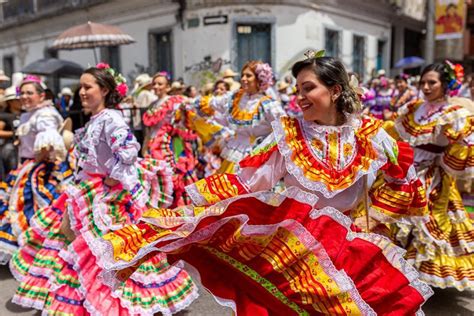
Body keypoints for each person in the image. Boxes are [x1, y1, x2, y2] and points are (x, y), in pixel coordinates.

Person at [94, 53, 433, 315]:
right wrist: (192, 215)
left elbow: (403, 180)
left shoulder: (372, 135)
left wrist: (375, 217)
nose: (299, 97)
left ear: (336, 90)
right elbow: (247, 182)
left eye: (309, 88)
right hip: (297, 249)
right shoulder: (288, 135)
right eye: (297, 89)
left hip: (352, 247)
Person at [11, 64, 197, 314]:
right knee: (75, 245)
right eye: (81, 87)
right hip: (86, 191)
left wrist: (113, 176)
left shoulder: (111, 118)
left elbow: (129, 152)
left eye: (88, 87)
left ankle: (109, 301)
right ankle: (86, 299)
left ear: (105, 90)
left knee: (102, 251)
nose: (82, 92)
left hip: (104, 198)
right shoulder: (97, 119)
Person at [385, 61, 474, 291]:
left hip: (433, 176)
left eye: (431, 82)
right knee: (391, 217)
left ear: (446, 85)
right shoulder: (415, 108)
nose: (425, 87)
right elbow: (395, 134)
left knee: (426, 224)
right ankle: (397, 271)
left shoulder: (454, 114)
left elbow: (462, 148)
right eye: (422, 82)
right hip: (406, 172)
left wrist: (444, 159)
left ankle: (418, 278)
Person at [0, 75, 71, 264]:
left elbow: (48, 142)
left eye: (29, 93)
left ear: (41, 96)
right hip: (27, 166)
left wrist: (38, 159)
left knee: (38, 209)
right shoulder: (28, 114)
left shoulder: (45, 114)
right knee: (21, 209)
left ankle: (47, 251)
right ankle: (33, 251)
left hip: (41, 169)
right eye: (22, 93)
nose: (24, 96)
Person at [194, 60, 285, 173]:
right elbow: (214, 102)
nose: (243, 79)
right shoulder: (235, 97)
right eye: (242, 75)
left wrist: (266, 146)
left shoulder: (268, 104)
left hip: (256, 156)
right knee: (228, 186)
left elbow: (285, 127)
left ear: (259, 79)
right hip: (234, 152)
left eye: (248, 76)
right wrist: (189, 103)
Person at [142, 71, 199, 206]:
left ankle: (179, 205)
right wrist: (145, 146)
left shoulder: (174, 101)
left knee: (174, 173)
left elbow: (188, 111)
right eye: (154, 84)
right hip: (154, 143)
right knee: (157, 176)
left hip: (169, 143)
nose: (156, 86)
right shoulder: (153, 105)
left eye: (159, 84)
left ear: (167, 87)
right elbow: (149, 129)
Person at [0, 86, 21, 179]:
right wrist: (15, 134)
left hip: (24, 148)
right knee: (13, 173)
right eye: (17, 100)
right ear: (10, 101)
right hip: (11, 148)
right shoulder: (4, 115)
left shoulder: (25, 113)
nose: (21, 101)